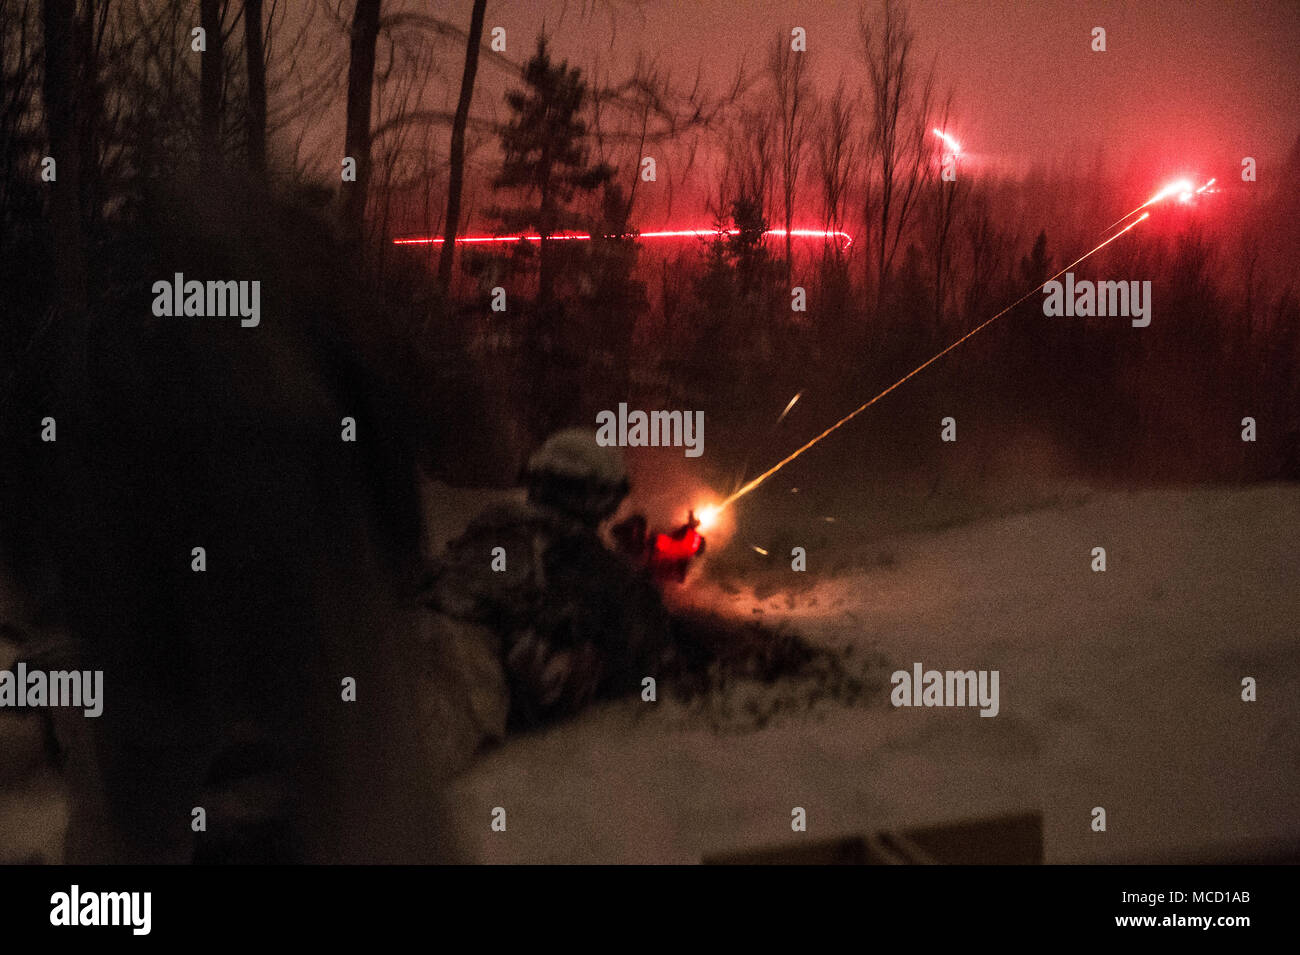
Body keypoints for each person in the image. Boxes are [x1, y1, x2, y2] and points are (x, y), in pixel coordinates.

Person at [422, 429, 673, 735]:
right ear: (599, 497)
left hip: (415, 679)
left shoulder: (490, 528)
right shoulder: (591, 562)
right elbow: (643, 657)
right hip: (484, 719)